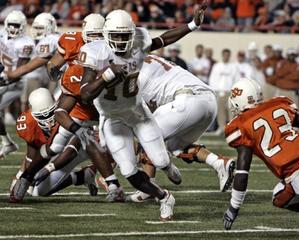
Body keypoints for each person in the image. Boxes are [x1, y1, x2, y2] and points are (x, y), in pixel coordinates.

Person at [79, 3, 208, 221]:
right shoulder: (95, 52)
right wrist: (106, 76)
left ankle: (166, 165)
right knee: (129, 170)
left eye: (124, 36)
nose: (120, 41)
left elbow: (164, 39)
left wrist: (193, 24)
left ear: (132, 34)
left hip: (137, 112)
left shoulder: (139, 41)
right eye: (115, 37)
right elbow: (85, 94)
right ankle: (164, 197)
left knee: (158, 160)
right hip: (112, 118)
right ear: (106, 35)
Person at [128, 55, 235, 202]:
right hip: (209, 101)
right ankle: (218, 163)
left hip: (188, 100)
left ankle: (149, 186)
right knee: (176, 147)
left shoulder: (135, 74)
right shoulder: (151, 59)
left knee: (147, 137)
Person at [223, 78, 299, 230]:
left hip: (298, 177)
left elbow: (242, 173)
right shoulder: (278, 104)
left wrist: (234, 207)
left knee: (278, 199)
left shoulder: (240, 126)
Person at [48, 13, 125, 202]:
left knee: (117, 143)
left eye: (99, 35)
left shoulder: (113, 48)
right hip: (78, 95)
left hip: (105, 103)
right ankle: (80, 175)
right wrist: (59, 78)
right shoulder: (72, 43)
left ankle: (111, 181)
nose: (95, 39)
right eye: (92, 34)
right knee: (57, 147)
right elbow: (52, 65)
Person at [10, 88, 97, 202]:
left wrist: (48, 168)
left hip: (84, 146)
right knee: (38, 191)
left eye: (50, 113)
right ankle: (83, 176)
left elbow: (71, 151)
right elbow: (32, 155)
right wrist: (22, 176)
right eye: (42, 117)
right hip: (59, 151)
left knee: (116, 148)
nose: (48, 122)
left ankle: (111, 182)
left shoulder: (68, 110)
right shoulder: (28, 123)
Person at [1, 13, 59, 110]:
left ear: (51, 28)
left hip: (64, 76)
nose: (37, 31)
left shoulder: (49, 40)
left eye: (40, 28)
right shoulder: (55, 38)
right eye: (36, 28)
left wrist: (8, 75)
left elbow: (29, 67)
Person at [0, 11, 35, 158]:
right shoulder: (2, 33)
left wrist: (4, 78)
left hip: (15, 82)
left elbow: (20, 70)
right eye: (11, 25)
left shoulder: (26, 43)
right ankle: (7, 143)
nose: (13, 28)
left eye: (16, 25)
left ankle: (7, 143)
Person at [208, 48, 239, 136]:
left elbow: (237, 79)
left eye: (227, 55)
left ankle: (232, 128)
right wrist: (214, 91)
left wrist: (234, 91)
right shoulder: (217, 66)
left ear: (229, 56)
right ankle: (221, 127)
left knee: (231, 111)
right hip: (220, 91)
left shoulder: (233, 67)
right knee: (220, 111)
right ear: (222, 55)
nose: (226, 57)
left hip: (230, 92)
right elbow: (212, 79)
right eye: (224, 55)